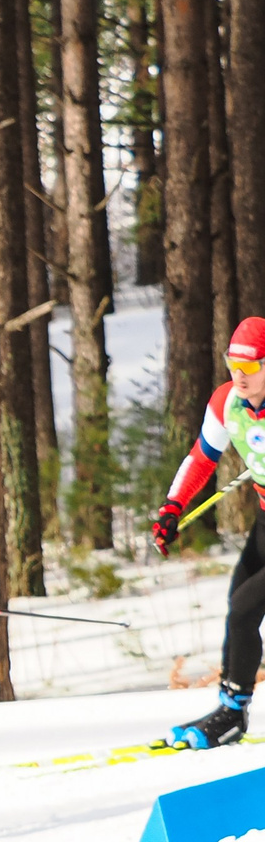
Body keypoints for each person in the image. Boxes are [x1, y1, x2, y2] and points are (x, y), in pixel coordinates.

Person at [151, 316, 265, 747]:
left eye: (250, 367)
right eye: (233, 364)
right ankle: (230, 708)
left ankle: (232, 712)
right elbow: (202, 457)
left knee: (244, 609)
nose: (240, 375)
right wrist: (172, 508)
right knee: (238, 607)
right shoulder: (227, 402)